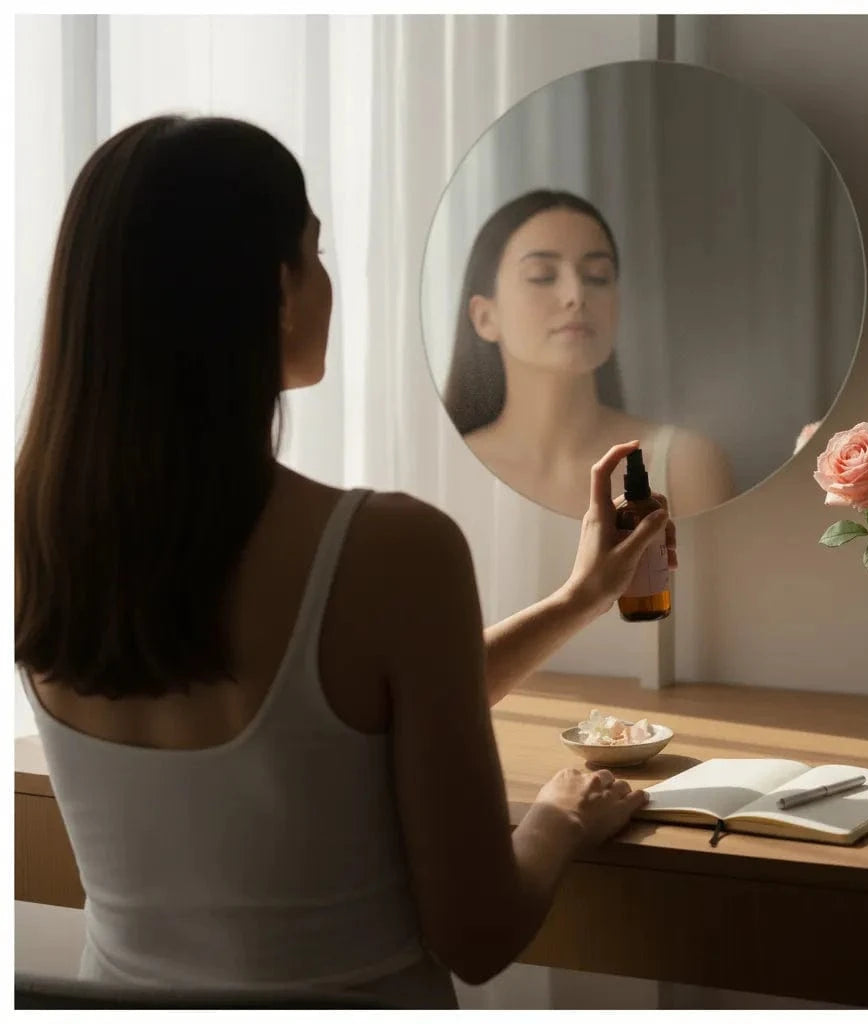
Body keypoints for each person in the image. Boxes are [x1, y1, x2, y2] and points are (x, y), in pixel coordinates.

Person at [14, 115, 678, 1008]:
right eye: (315, 251)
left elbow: (328, 731)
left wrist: (578, 598)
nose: (328, 282)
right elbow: (479, 937)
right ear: (276, 288)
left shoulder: (39, 532)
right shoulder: (392, 550)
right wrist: (558, 819)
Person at [443, 189, 735, 519]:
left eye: (598, 277)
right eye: (542, 276)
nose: (575, 295)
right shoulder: (446, 467)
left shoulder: (685, 465)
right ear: (485, 317)